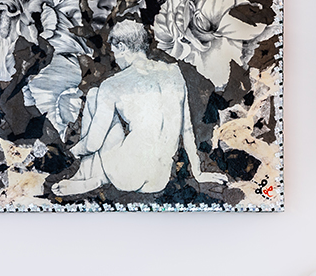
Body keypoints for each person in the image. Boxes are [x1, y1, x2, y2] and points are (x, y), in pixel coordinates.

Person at [52, 21, 226, 195]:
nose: (116, 59)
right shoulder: (174, 72)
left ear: (122, 47)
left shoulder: (112, 84)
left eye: (114, 52)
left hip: (125, 177)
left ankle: (85, 176)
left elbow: (92, 144)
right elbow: (186, 128)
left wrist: (72, 151)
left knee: (93, 95)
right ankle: (95, 178)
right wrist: (198, 173)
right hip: (158, 180)